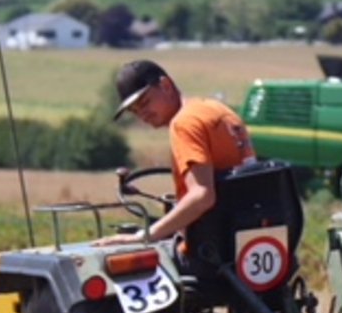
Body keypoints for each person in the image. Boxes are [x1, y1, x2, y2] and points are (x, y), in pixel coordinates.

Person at [96, 59, 256, 246]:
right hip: (247, 235)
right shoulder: (216, 109)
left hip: (212, 249)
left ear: (166, 85)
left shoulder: (183, 123)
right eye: (134, 111)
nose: (142, 114)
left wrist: (146, 235)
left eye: (145, 102)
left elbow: (202, 196)